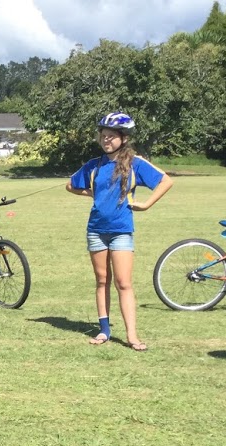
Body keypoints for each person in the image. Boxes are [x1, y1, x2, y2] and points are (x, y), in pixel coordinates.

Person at [66, 112, 173, 352]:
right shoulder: (94, 165)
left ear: (123, 138)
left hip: (121, 231)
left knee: (124, 283)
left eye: (111, 136)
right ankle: (104, 330)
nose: (106, 140)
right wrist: (92, 193)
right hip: (96, 230)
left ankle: (132, 336)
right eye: (103, 136)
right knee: (102, 280)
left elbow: (165, 180)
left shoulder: (135, 163)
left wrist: (146, 204)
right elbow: (71, 185)